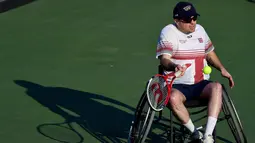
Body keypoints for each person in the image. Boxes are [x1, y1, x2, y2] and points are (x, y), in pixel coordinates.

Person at [156, 1, 234, 143]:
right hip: (176, 86)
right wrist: (174, 66)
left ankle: (208, 136)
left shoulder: (200, 30)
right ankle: (194, 133)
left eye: (194, 18)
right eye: (187, 20)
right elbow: (164, 60)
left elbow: (210, 54)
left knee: (217, 87)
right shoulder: (168, 32)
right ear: (177, 20)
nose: (193, 22)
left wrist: (222, 69)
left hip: (200, 84)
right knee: (173, 98)